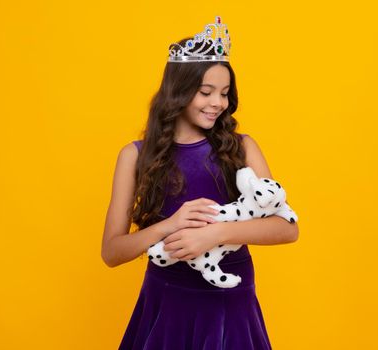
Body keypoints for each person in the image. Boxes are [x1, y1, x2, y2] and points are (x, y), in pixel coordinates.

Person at [101, 16, 299, 350]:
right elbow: (112, 252)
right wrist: (171, 225)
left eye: (224, 93)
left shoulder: (242, 147)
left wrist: (215, 234)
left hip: (230, 303)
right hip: (166, 304)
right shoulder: (134, 156)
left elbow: (287, 227)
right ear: (177, 92)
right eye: (205, 92)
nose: (217, 103)